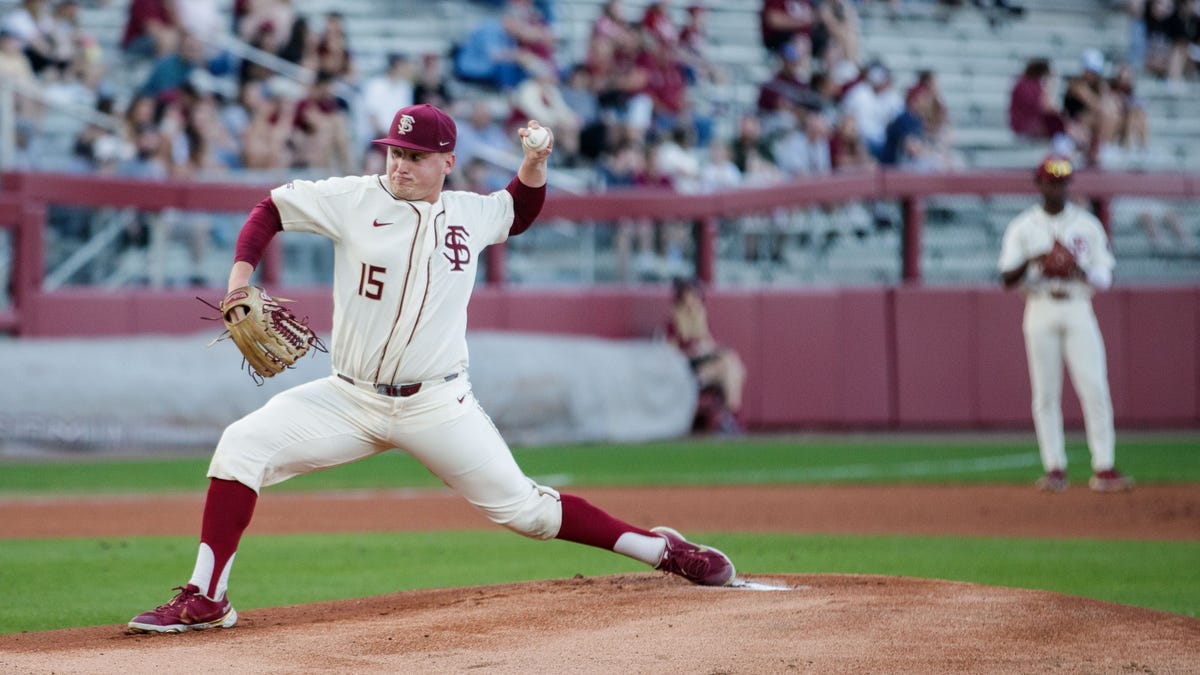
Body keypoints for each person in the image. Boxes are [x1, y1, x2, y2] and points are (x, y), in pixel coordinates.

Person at [126, 103, 736, 634]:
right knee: (240, 445)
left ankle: (661, 549)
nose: (399, 164)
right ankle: (207, 597)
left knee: (527, 512)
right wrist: (239, 280)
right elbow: (270, 210)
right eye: (395, 150)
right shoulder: (353, 198)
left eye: (416, 155)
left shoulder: (470, 213)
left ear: (446, 161)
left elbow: (518, 211)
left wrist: (536, 162)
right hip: (349, 396)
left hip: (437, 404)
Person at [997, 155, 1135, 494]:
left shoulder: (1086, 224)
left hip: (1077, 304)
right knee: (1045, 393)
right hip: (1040, 306)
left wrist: (1076, 270)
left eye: (1062, 182)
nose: (1057, 187)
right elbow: (1006, 277)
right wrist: (1037, 260)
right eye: (1051, 181)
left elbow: (1105, 276)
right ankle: (1054, 467)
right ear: (1039, 183)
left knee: (1094, 387)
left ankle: (1103, 467)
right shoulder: (1024, 226)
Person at [666, 277, 746, 435]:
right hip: (687, 370)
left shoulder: (701, 317)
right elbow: (671, 355)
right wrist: (693, 351)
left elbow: (708, 344)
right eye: (689, 296)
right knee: (732, 368)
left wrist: (710, 349)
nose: (693, 300)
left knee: (731, 366)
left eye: (696, 296)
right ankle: (731, 418)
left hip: (706, 366)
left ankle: (729, 419)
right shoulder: (673, 322)